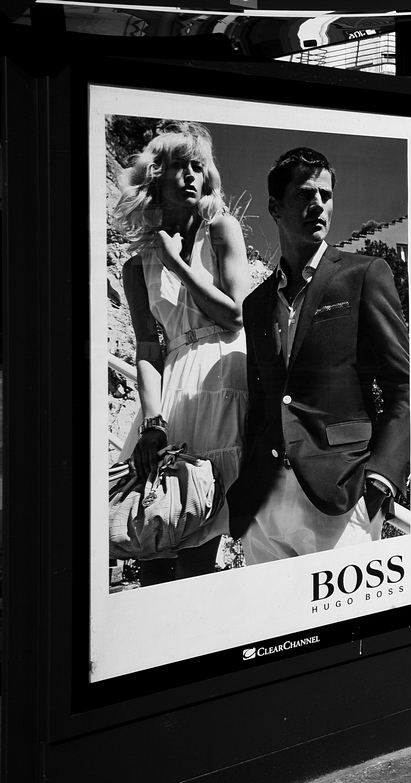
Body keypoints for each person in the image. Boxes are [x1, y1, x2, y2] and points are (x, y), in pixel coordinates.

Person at [227, 147, 410, 564]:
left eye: (325, 196)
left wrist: (382, 475)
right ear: (275, 206)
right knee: (271, 625)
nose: (318, 206)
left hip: (340, 496)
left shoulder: (361, 275)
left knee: (345, 628)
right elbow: (262, 402)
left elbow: (404, 385)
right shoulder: (256, 304)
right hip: (266, 502)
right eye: (305, 195)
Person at [113, 121, 250, 586]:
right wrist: (153, 422)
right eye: (178, 166)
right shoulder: (137, 266)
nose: (192, 175)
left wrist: (177, 264)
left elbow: (235, 315)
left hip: (223, 379)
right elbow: (148, 349)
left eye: (199, 166)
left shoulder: (222, 231)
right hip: (172, 391)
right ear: (156, 177)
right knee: (155, 529)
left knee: (201, 535)